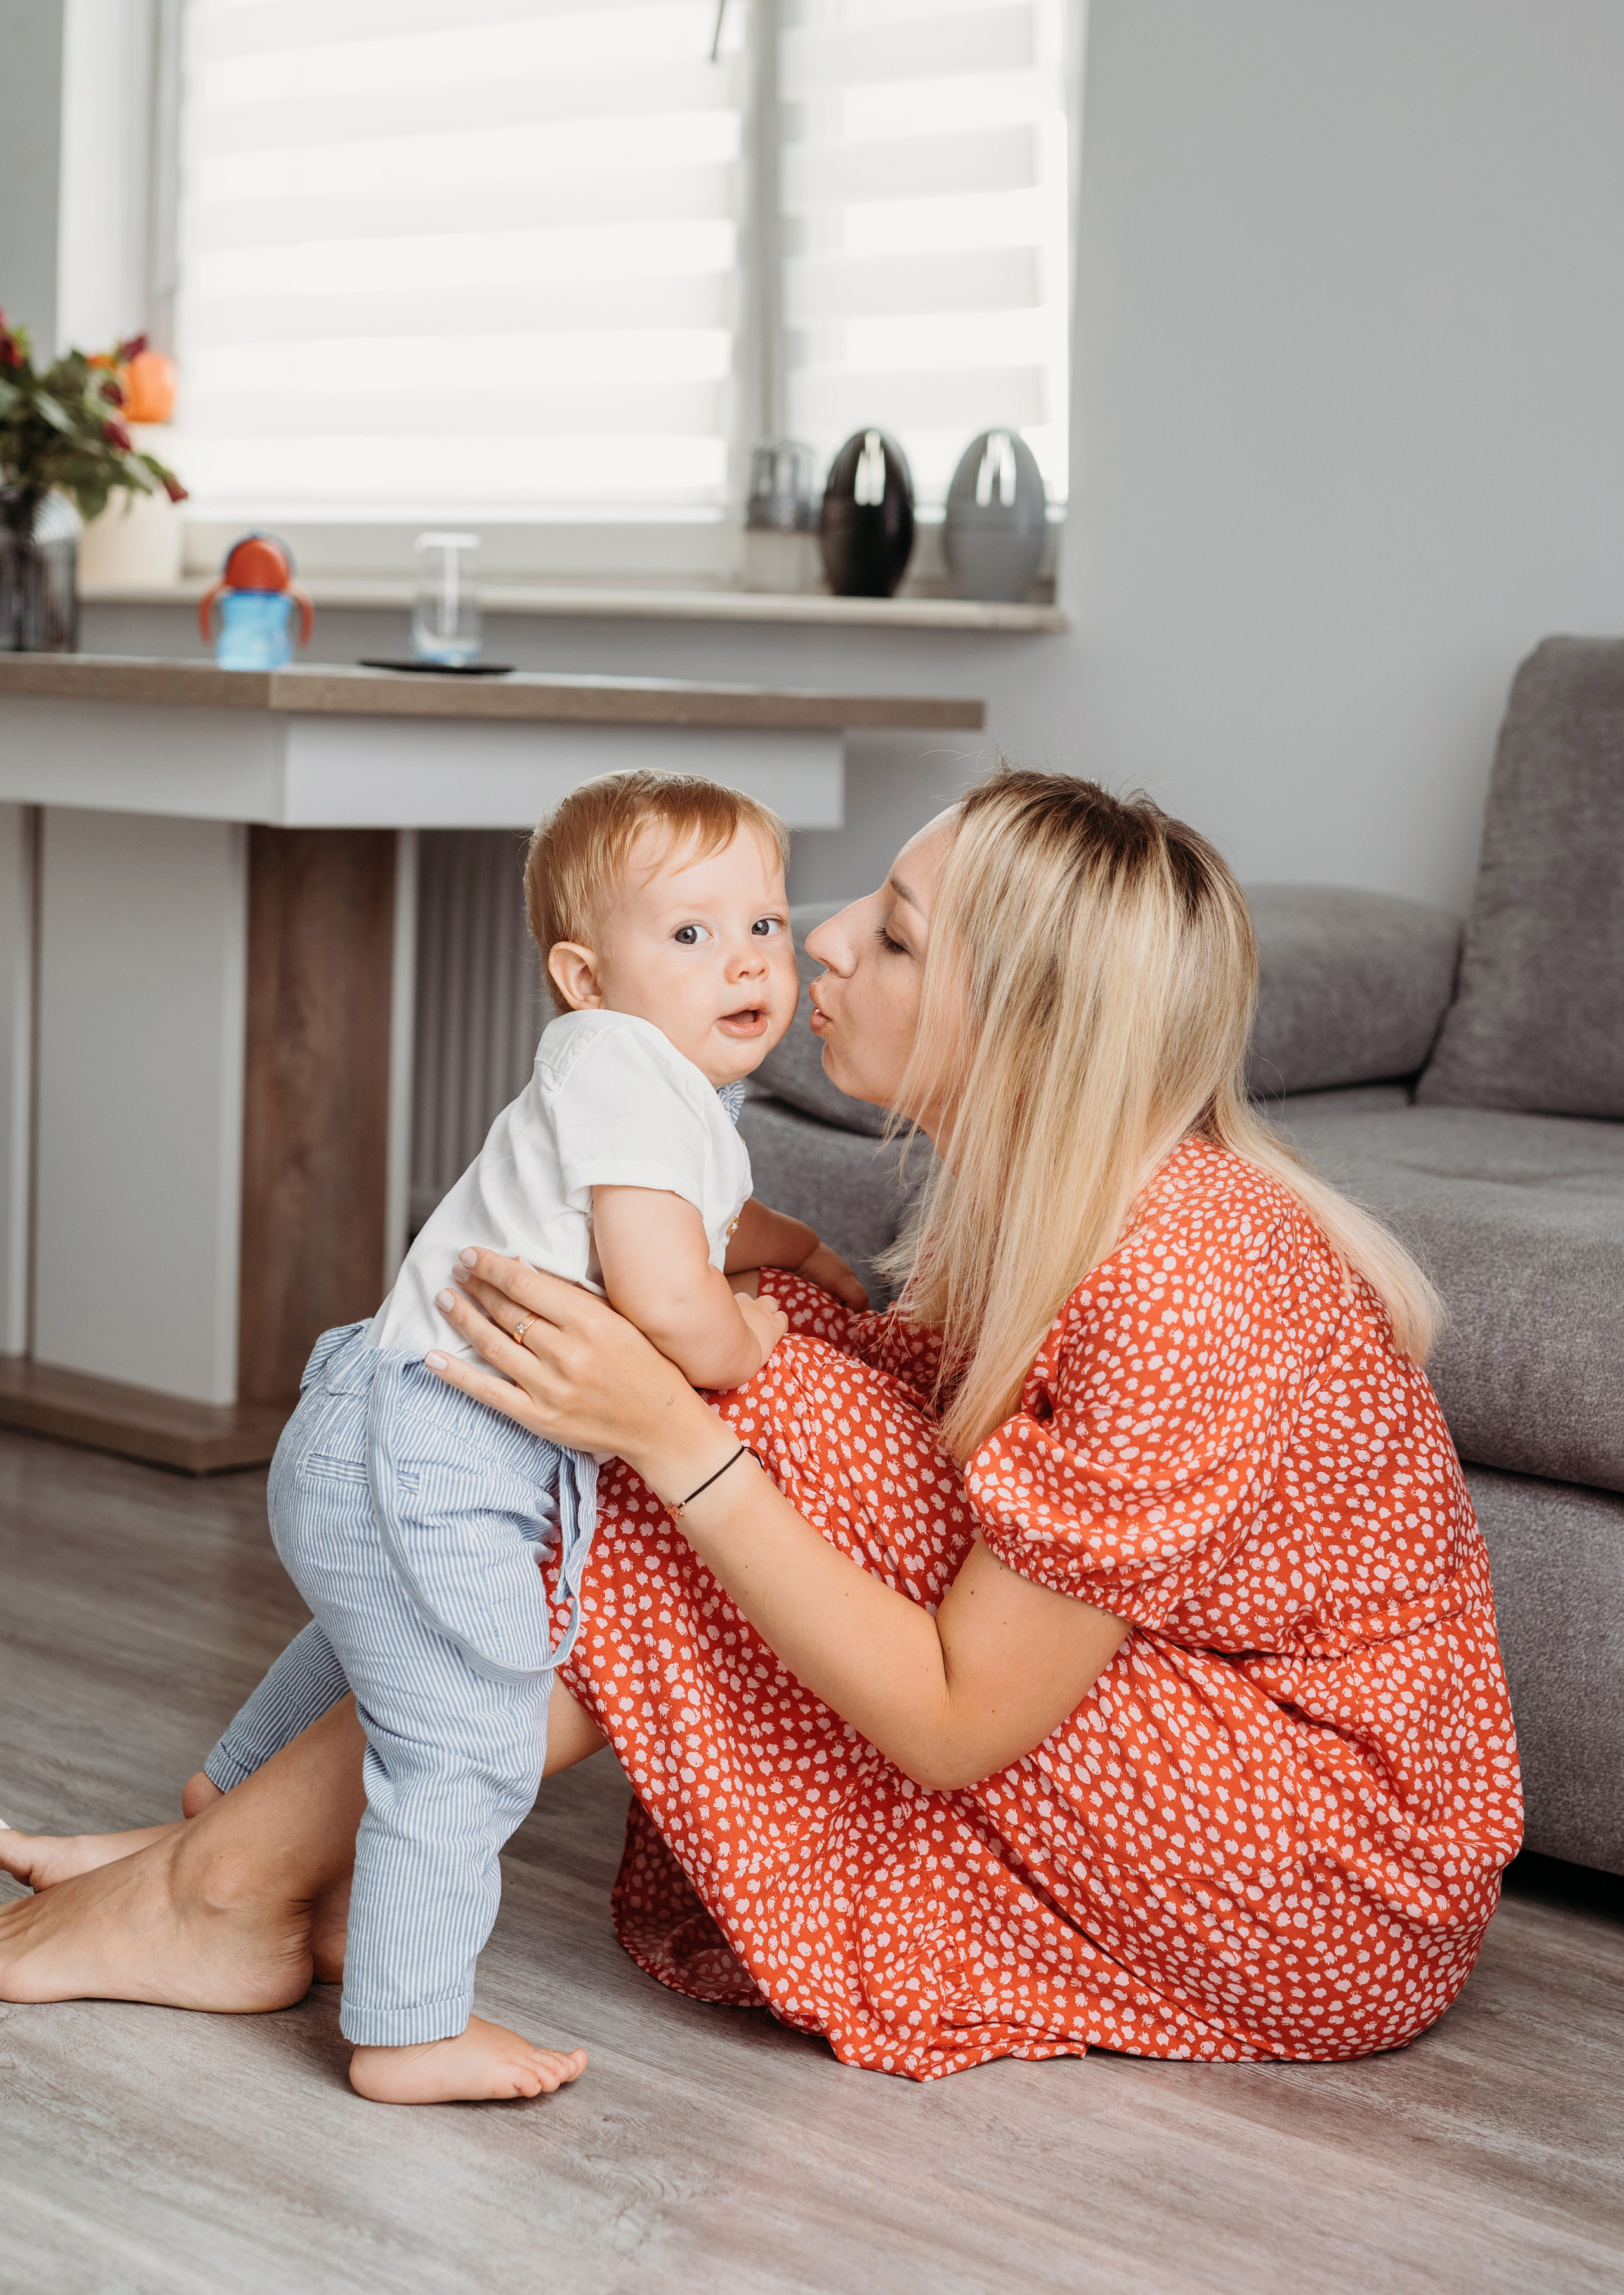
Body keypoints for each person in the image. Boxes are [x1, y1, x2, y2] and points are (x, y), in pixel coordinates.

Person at [0, 770, 1522, 2084]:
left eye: (900, 936)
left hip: (1314, 1874)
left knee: (734, 1414)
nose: (826, 937)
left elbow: (953, 1720)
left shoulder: (1183, 1279)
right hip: (1199, 1772)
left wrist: (669, 1430)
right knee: (764, 1379)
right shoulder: (1083, 1198)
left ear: (1025, 1030)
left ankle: (229, 1881)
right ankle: (251, 1858)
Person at [142, 768, 863, 2106]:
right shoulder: (621, 1069)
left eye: (761, 923)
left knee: (380, 1644)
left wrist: (807, 1251)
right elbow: (668, 1297)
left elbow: (707, 1226)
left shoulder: (668, 1099)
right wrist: (756, 1336)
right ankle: (408, 2027)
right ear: (585, 977)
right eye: (690, 934)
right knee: (469, 1734)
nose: (745, 960)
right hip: (430, 1452)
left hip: (396, 1438)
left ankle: (234, 1800)